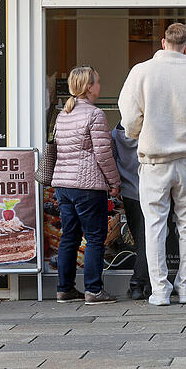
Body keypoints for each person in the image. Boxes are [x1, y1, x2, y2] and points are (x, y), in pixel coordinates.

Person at [118, 22, 186, 306]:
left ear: (162, 42)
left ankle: (160, 290)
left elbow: (128, 117)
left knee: (155, 226)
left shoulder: (141, 71)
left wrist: (139, 133)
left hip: (154, 160)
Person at [52, 66, 121, 305]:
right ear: (89, 87)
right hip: (88, 186)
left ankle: (64, 288)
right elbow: (103, 154)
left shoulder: (64, 114)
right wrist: (114, 182)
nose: (100, 87)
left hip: (64, 184)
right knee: (94, 237)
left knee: (69, 236)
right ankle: (93, 290)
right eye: (98, 82)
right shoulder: (95, 114)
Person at [111, 123, 149, 300]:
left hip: (128, 192)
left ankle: (143, 282)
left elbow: (113, 160)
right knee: (149, 240)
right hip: (150, 189)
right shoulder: (147, 128)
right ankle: (139, 283)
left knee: (139, 239)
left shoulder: (116, 133)